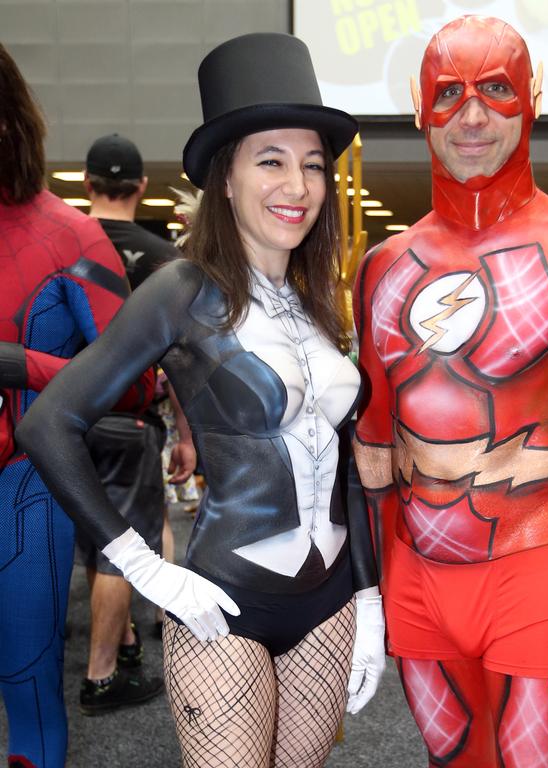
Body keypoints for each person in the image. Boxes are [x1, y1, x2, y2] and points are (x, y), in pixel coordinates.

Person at [17, 32, 385, 767]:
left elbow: (344, 462)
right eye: (271, 161)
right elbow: (50, 420)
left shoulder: (318, 303)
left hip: (331, 603)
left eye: (313, 165)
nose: (299, 185)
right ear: (225, 177)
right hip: (224, 604)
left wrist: (369, 598)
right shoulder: (182, 290)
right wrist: (142, 564)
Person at [353, 16, 548, 768]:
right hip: (416, 575)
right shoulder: (384, 266)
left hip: (538, 565)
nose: (471, 116)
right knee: (451, 761)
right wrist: (369, 601)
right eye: (449, 94)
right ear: (418, 106)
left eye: (495, 90)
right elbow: (373, 449)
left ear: (530, 98)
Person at [0, 44, 154, 767]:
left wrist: (16, 365)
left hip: (22, 490)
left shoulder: (69, 235)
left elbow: (133, 380)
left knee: (29, 688)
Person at [76, 133, 192, 714]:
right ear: (141, 186)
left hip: (62, 418)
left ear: (87, 182)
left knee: (95, 540)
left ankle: (121, 646)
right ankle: (101, 677)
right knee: (122, 548)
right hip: (129, 417)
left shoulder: (63, 245)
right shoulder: (163, 257)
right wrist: (189, 434)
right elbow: (182, 354)